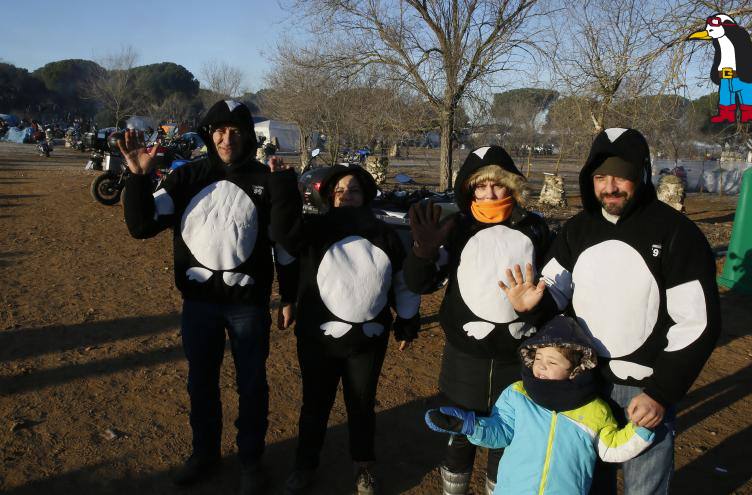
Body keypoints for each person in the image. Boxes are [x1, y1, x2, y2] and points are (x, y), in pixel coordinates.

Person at [500, 128, 721, 494]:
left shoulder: (676, 233)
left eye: (621, 176)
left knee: (644, 484)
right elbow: (554, 292)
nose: (610, 187)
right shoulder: (577, 230)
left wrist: (662, 392)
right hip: (584, 382)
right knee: (586, 479)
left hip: (644, 390)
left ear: (642, 175)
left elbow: (698, 323)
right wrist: (533, 307)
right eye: (600, 177)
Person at [119, 99, 300, 495]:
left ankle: (251, 460)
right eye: (219, 130)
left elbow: (284, 246)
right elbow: (142, 224)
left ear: (248, 136)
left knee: (252, 384)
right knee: (201, 383)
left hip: (248, 307)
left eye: (235, 131)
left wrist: (289, 295)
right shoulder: (187, 178)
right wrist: (137, 177)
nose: (226, 138)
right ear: (208, 134)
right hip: (199, 304)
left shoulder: (264, 181)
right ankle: (205, 454)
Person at [403, 146, 552, 495]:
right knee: (460, 436)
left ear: (511, 187)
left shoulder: (535, 229)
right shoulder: (456, 229)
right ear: (469, 190)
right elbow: (420, 283)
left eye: (497, 186)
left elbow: (554, 292)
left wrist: (534, 313)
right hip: (464, 358)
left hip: (516, 358)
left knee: (506, 439)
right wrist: (422, 253)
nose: (488, 195)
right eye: (479, 188)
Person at [268, 165, 421, 495]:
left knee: (361, 403)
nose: (346, 195)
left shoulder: (385, 235)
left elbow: (402, 282)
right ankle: (304, 466)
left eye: (353, 190)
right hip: (317, 338)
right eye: (338, 191)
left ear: (365, 195)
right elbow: (283, 234)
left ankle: (363, 466)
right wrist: (282, 187)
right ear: (328, 198)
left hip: (367, 339)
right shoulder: (312, 230)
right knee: (315, 404)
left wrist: (407, 320)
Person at [425, 315, 655, 495]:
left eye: (552, 361)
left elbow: (612, 448)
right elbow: (501, 431)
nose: (541, 366)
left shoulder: (593, 409)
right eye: (538, 359)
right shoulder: (517, 395)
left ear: (576, 368)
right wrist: (469, 425)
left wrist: (641, 428)